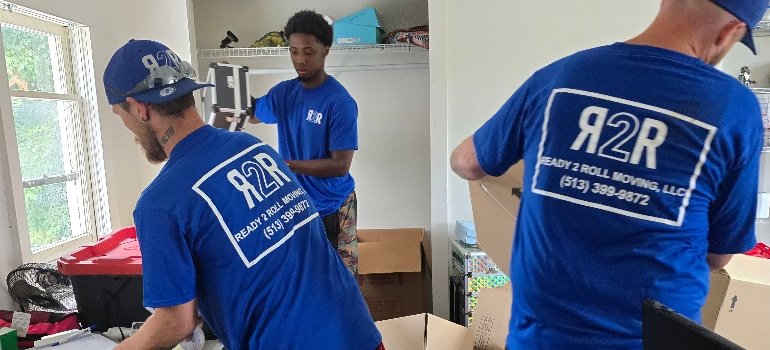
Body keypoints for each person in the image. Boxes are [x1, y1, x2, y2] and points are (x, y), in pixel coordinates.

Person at [450, 0, 767, 348]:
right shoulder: (735, 109)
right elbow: (719, 254)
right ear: (729, 33)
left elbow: (466, 162)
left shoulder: (563, 75)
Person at [103, 39, 382, 349]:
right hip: (359, 334)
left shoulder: (159, 204)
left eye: (121, 114)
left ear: (139, 109)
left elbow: (176, 321)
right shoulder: (255, 148)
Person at [249, 10, 360, 275]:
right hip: (296, 204)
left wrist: (287, 165)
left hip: (334, 205)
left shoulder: (339, 102)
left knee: (340, 281)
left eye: (308, 52)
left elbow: (339, 165)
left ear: (326, 51)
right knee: (302, 278)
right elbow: (253, 113)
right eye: (294, 51)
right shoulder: (284, 93)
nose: (300, 59)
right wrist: (228, 90)